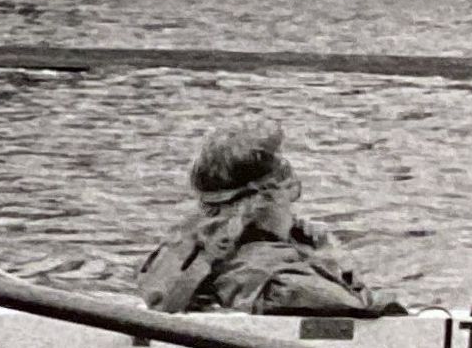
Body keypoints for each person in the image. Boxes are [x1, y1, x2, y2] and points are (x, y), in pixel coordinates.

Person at [135, 123, 400, 316]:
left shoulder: (184, 258)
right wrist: (331, 256)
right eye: (292, 189)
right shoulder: (280, 281)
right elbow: (362, 310)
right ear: (270, 198)